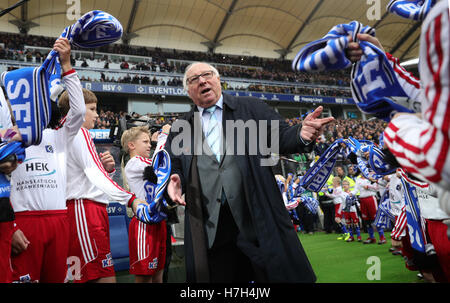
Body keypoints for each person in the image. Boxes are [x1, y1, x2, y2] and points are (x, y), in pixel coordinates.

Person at [165, 62, 334, 283]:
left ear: (218, 80)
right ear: (188, 90)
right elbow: (172, 165)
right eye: (194, 79)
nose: (202, 81)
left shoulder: (250, 108)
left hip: (257, 218)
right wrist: (172, 179)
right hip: (211, 228)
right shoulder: (181, 127)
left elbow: (280, 136)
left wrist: (301, 135)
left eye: (207, 75)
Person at [8, 38, 86, 283]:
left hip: (58, 220)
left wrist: (67, 65)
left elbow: (80, 112)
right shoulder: (5, 139)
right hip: (21, 222)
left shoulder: (57, 135)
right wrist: (8, 229)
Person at [61, 88, 146, 283]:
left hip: (89, 210)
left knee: (101, 275)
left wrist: (107, 170)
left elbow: (87, 177)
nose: (97, 114)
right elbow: (92, 177)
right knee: (99, 277)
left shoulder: (77, 135)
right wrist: (131, 199)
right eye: (92, 109)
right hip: (83, 210)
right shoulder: (79, 132)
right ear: (77, 110)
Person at [121, 125, 170, 283]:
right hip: (144, 224)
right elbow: (158, 168)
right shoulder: (134, 163)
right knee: (144, 277)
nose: (150, 145)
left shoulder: (146, 160)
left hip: (159, 222)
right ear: (131, 145)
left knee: (158, 275)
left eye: (150, 142)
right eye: (145, 141)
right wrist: (163, 137)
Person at [355, 174, 386, 244]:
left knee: (375, 218)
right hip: (362, 200)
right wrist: (350, 195)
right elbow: (355, 190)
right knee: (366, 220)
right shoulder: (358, 180)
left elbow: (376, 188)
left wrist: (368, 186)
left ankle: (382, 237)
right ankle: (371, 237)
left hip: (371, 199)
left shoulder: (372, 177)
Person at [324, 176, 350, 240]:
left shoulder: (339, 189)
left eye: (333, 182)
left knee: (337, 219)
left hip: (339, 204)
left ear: (337, 183)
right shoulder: (336, 188)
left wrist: (326, 193)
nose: (332, 183)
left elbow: (334, 196)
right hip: (337, 205)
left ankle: (346, 232)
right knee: (338, 219)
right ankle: (344, 233)